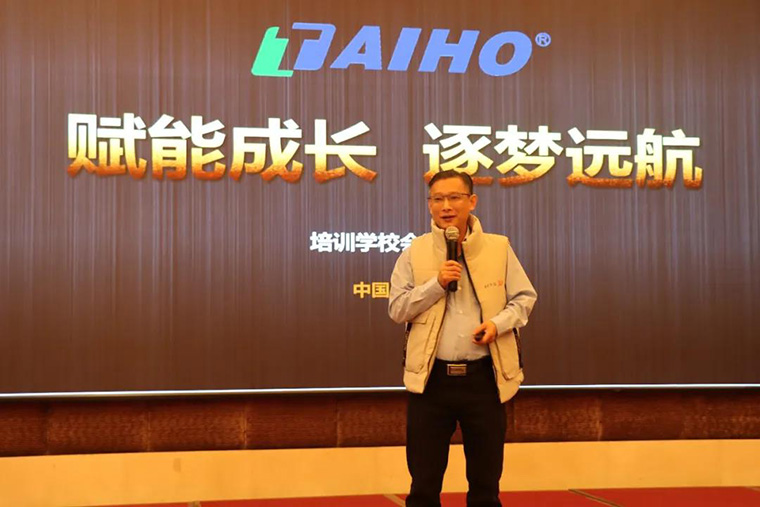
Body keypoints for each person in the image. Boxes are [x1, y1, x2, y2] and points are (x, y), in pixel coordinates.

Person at [388, 170, 538, 507]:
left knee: (485, 486)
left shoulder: (499, 248)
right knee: (423, 485)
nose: (446, 206)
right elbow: (397, 309)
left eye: (454, 197)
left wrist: (497, 325)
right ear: (429, 205)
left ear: (472, 201)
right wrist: (436, 284)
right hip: (431, 382)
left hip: (484, 379)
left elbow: (524, 298)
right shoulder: (414, 251)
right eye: (438, 199)